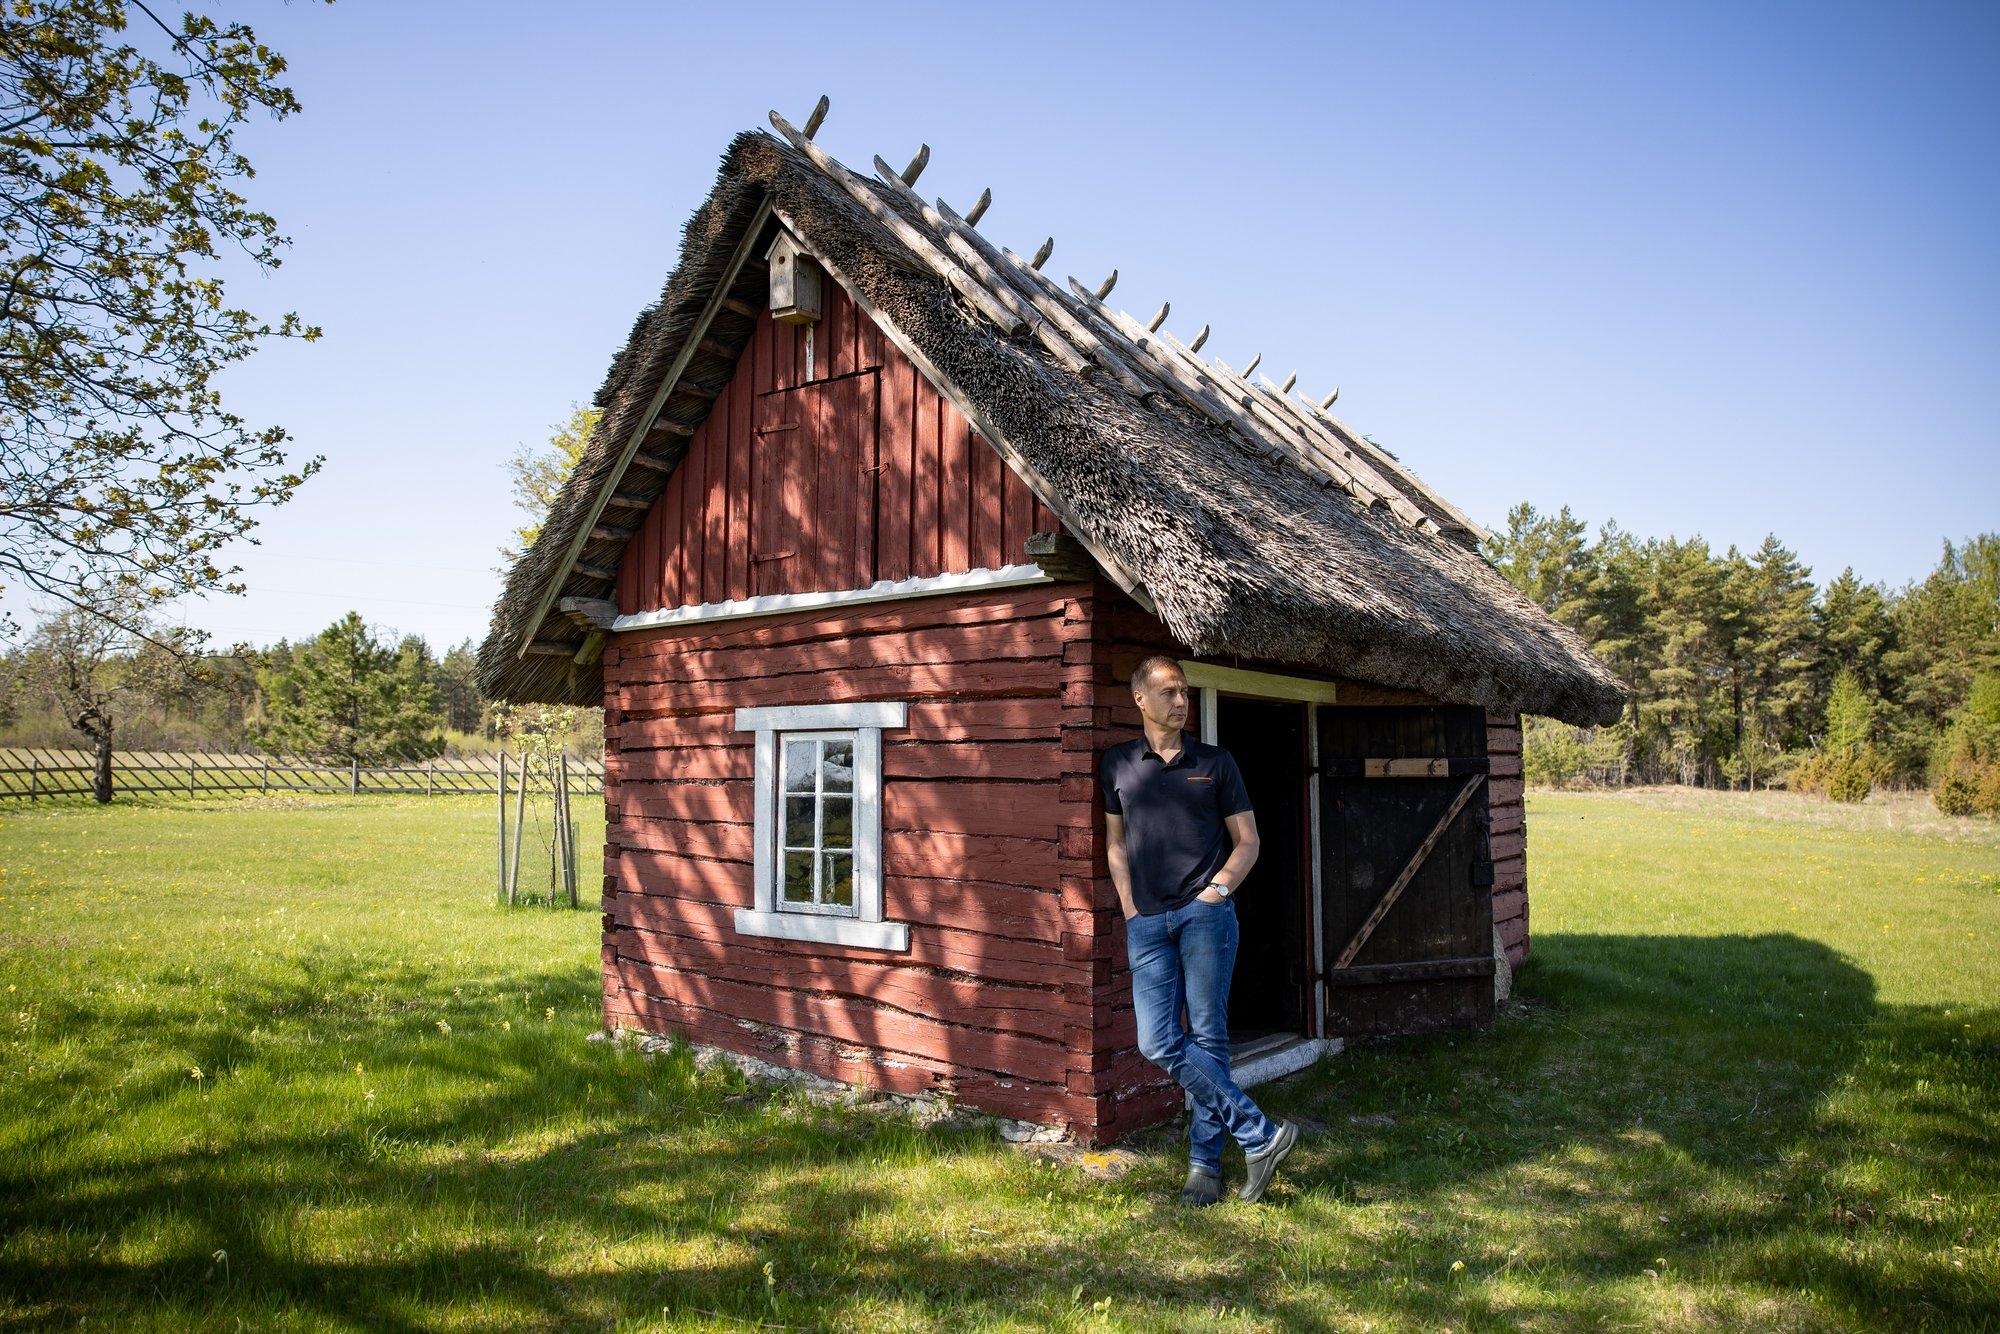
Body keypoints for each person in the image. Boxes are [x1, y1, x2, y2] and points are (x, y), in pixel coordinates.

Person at [1100, 654, 1300, 1205]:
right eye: (1168, 692)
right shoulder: (1117, 764)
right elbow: (1115, 843)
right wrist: (1129, 906)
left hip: (1205, 916)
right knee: (1157, 1040)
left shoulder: (1215, 762)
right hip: (1146, 921)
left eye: (1184, 692)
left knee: (1209, 1039)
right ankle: (1259, 1134)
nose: (1180, 701)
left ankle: (1204, 1171)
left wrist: (1218, 891)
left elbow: (1248, 841)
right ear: (1140, 698)